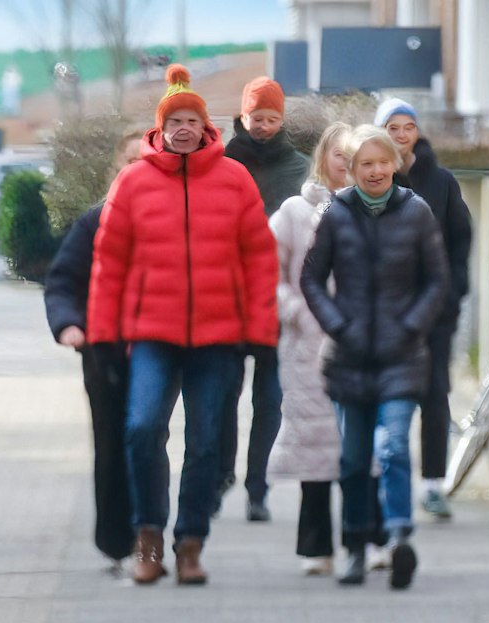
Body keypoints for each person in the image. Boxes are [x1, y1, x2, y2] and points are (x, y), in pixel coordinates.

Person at [87, 64, 278, 586]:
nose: (185, 128)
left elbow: (260, 258)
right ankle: (148, 537)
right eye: (176, 121)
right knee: (142, 427)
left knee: (205, 442)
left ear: (207, 127)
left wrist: (261, 331)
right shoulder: (133, 182)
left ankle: (190, 542)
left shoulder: (235, 179)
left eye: (194, 119)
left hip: (219, 337)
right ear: (162, 128)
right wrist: (103, 335)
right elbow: (109, 262)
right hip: (151, 333)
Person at [301, 125, 449, 589]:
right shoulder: (335, 213)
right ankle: (356, 549)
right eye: (366, 164)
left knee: (394, 447)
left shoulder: (417, 212)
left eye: (383, 161)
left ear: (395, 164)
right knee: (353, 461)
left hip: (402, 356)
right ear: (351, 169)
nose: (377, 170)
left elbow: (437, 282)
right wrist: (337, 325)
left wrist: (411, 326)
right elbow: (310, 278)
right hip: (349, 357)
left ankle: (400, 536)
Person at [45, 129, 146, 569]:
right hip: (102, 350)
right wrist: (69, 324)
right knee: (110, 443)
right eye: (129, 160)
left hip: (155, 347)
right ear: (115, 169)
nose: (136, 169)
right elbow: (63, 281)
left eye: (146, 160)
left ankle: (151, 530)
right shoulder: (94, 222)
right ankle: (117, 540)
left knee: (146, 438)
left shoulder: (171, 221)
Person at [268, 123, 356, 576]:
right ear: (323, 158)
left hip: (362, 344)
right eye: (337, 154)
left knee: (365, 447)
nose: (344, 162)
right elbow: (270, 269)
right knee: (314, 446)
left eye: (353, 153)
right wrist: (297, 313)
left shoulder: (380, 210)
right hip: (307, 347)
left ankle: (367, 541)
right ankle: (315, 547)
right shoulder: (294, 212)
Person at [380, 97, 473, 523]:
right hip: (384, 312)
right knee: (383, 395)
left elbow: (461, 239)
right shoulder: (372, 176)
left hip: (435, 310)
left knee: (434, 392)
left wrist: (452, 295)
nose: (401, 134)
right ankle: (382, 478)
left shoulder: (442, 181)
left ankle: (433, 483)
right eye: (393, 127)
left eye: (407, 126)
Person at [221, 76, 308, 523]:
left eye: (272, 118)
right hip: (229, 296)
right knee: (222, 395)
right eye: (257, 117)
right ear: (243, 115)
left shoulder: (299, 168)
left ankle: (259, 488)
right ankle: (219, 475)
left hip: (276, 297)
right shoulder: (221, 161)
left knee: (269, 399)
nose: (264, 126)